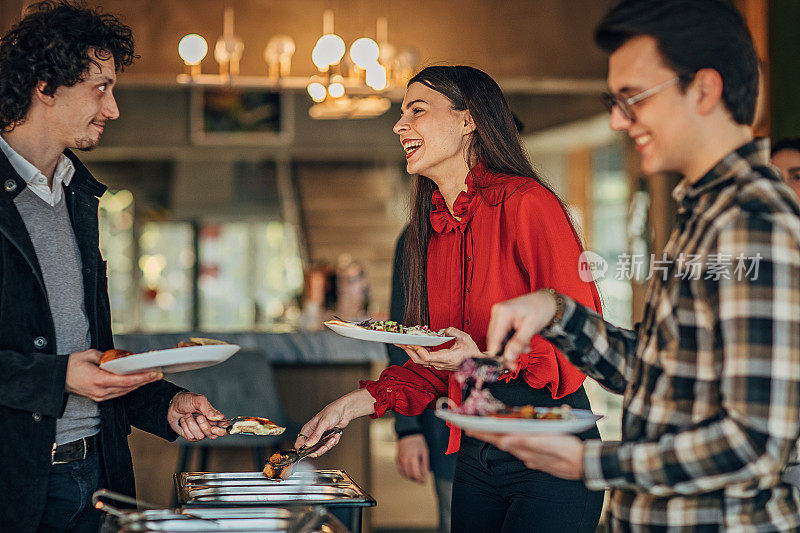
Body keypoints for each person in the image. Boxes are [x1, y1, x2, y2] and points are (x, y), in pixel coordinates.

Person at [470, 0, 800, 530]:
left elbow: (754, 445)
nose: (617, 120)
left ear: (705, 90)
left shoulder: (751, 221)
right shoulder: (707, 211)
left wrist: (590, 462)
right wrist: (555, 311)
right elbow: (661, 372)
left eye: (632, 99)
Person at [296, 65, 605, 532]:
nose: (400, 126)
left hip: (552, 450)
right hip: (477, 453)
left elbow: (581, 334)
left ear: (468, 121)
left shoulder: (528, 203)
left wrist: (484, 357)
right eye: (402, 114)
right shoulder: (432, 229)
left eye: (417, 111)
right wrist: (350, 406)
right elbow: (439, 363)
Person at [0, 2, 228, 531]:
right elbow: (67, 372)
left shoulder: (79, 194)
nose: (113, 108)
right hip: (17, 487)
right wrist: (59, 378)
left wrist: (166, 404)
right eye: (100, 88)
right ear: (45, 84)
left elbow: (94, 356)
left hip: (98, 477)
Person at [387, 227, 456, 533]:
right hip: (442, 410)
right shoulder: (417, 235)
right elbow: (401, 336)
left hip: (515, 410)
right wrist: (407, 428)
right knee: (455, 519)